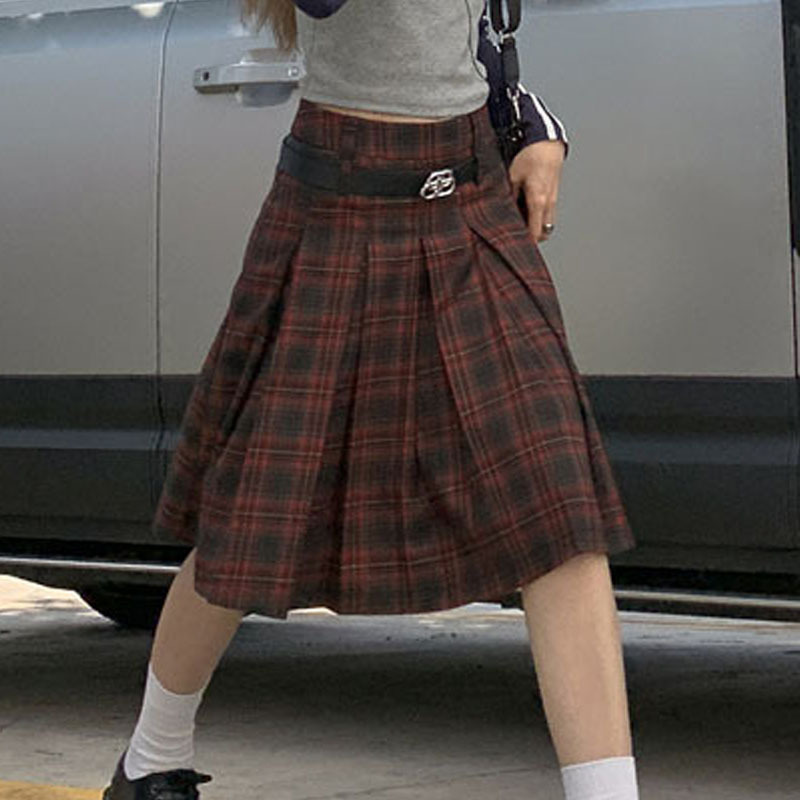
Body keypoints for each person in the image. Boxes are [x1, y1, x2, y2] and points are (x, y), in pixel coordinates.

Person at [101, 2, 640, 799]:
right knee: (253, 520)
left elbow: (466, 31)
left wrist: (529, 121)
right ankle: (152, 759)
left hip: (469, 201)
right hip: (341, 206)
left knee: (559, 510)